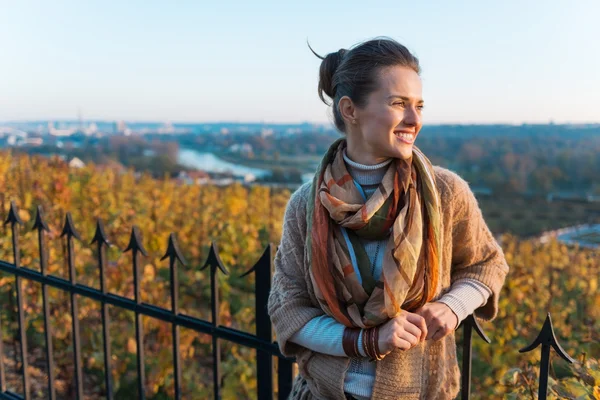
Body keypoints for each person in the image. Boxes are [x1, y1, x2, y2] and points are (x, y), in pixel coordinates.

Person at [267, 37, 509, 400]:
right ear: (350, 110)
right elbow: (288, 310)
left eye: (419, 106)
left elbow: (486, 265)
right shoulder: (306, 205)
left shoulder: (444, 193)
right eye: (399, 104)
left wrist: (451, 307)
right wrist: (367, 341)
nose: (414, 120)